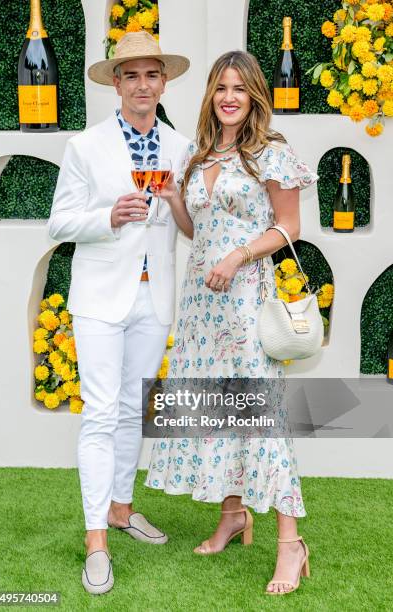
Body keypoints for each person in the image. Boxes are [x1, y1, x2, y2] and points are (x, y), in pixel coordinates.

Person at [145, 50, 318, 595]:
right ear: (211, 96)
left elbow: (289, 226)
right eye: (221, 87)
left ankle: (291, 545)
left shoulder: (271, 154)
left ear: (254, 96)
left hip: (244, 298)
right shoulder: (199, 158)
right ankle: (232, 515)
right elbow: (198, 232)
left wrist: (239, 256)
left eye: (239, 89)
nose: (229, 97)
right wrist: (175, 199)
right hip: (201, 303)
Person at [47, 32, 190, 595]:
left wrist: (176, 199)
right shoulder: (86, 147)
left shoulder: (181, 149)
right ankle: (95, 542)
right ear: (115, 83)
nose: (142, 85)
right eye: (130, 75)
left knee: (133, 409)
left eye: (151, 74)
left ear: (164, 81)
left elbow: (189, 231)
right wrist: (109, 216)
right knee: (102, 413)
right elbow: (59, 223)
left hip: (155, 298)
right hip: (101, 297)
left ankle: (122, 510)